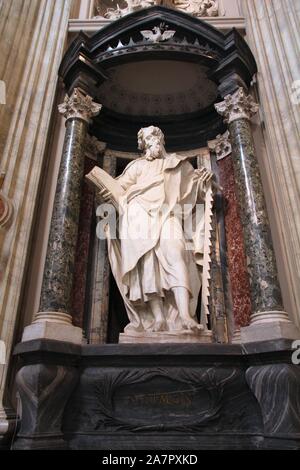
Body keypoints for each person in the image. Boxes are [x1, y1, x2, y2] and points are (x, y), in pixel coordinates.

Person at [99, 126, 213, 336]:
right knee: (147, 265)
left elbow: (195, 192)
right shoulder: (136, 167)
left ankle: (185, 315)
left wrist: (204, 183)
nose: (154, 140)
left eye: (157, 136)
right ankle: (158, 318)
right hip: (138, 217)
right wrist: (109, 193)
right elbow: (119, 188)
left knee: (177, 254)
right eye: (149, 137)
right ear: (143, 144)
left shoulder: (178, 164)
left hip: (168, 215)